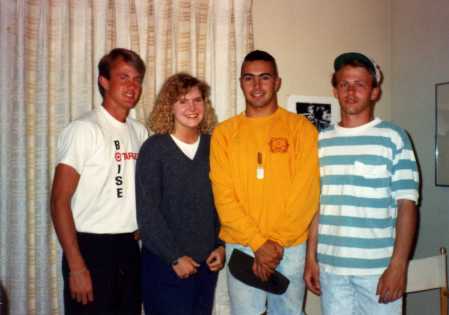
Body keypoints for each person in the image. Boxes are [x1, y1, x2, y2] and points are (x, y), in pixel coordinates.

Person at [304, 52, 419, 315]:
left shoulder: (393, 137)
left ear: (374, 92)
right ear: (335, 90)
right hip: (331, 270)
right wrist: (311, 259)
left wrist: (398, 266)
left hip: (377, 270)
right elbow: (316, 206)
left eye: (360, 84)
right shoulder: (320, 141)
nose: (351, 91)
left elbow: (407, 205)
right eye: (344, 84)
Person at [210, 50, 320, 315]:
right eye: (249, 78)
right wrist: (258, 244)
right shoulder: (224, 134)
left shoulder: (301, 129)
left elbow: (306, 194)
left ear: (277, 82)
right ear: (240, 82)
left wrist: (275, 244)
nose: (257, 86)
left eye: (265, 78)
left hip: (290, 246)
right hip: (242, 245)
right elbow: (223, 196)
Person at [50, 48, 147, 315]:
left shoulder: (140, 132)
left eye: (137, 79)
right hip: (90, 250)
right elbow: (59, 201)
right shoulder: (84, 129)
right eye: (123, 77)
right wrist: (77, 266)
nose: (132, 86)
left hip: (129, 248)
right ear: (104, 81)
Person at [136, 73, 225, 315]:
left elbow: (222, 201)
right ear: (169, 106)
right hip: (165, 266)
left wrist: (220, 245)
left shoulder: (213, 146)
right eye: (183, 101)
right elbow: (147, 212)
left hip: (206, 265)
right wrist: (174, 257)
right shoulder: (155, 149)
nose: (192, 107)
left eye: (197, 100)